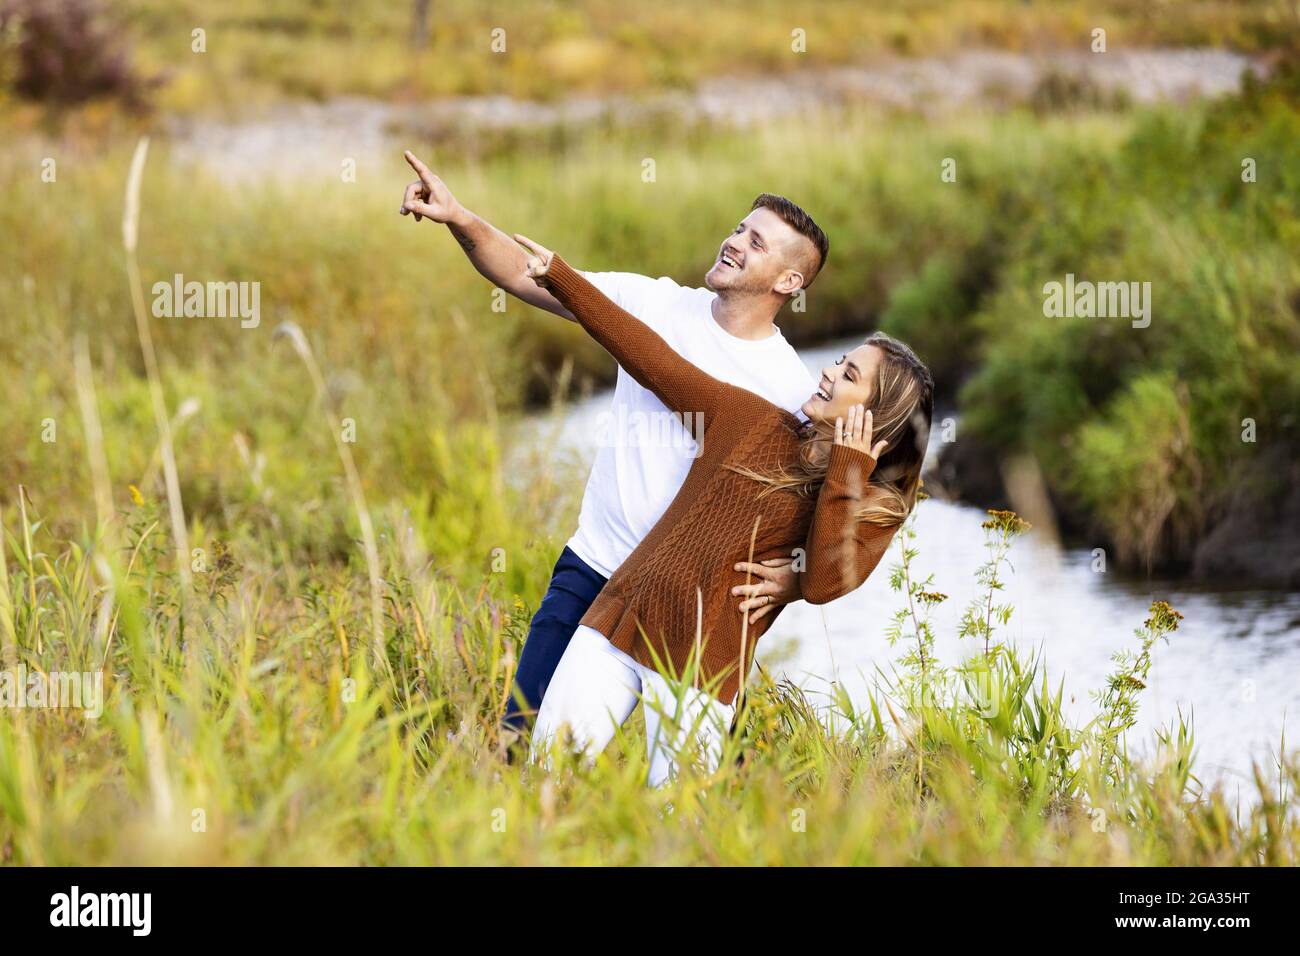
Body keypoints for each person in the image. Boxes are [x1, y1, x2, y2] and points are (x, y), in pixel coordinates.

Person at [399, 150, 825, 739]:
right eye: (739, 229)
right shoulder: (651, 303)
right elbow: (523, 274)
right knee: (522, 739)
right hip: (594, 565)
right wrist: (460, 219)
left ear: (789, 280)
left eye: (757, 243)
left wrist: (795, 579)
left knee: (688, 789)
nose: (735, 243)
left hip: (690, 605)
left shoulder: (793, 391)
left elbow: (827, 511)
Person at [514, 235, 934, 786]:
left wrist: (846, 473)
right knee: (544, 780)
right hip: (617, 621)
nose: (829, 372)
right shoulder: (751, 419)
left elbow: (826, 581)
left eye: (850, 376)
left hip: (701, 673)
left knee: (677, 822)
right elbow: (651, 358)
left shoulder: (872, 507)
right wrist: (560, 276)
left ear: (874, 416)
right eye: (839, 361)